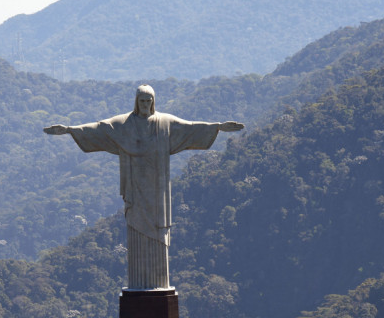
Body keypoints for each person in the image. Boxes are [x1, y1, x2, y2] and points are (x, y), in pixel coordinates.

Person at [45, 86, 242, 290]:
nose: (146, 105)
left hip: (158, 190)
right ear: (136, 102)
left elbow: (190, 127)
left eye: (149, 101)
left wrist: (217, 127)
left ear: (154, 102)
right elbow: (99, 128)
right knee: (137, 230)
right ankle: (139, 285)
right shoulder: (124, 124)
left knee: (157, 232)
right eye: (142, 101)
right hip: (135, 188)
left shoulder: (165, 123)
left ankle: (158, 285)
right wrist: (70, 130)